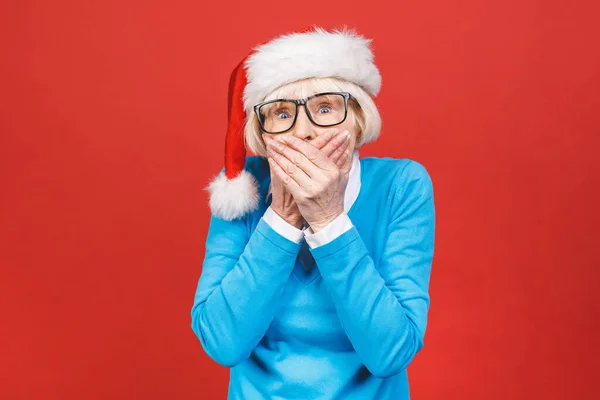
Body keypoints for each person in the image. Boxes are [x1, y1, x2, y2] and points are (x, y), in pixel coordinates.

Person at [191, 25, 436, 400]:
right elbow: (223, 343)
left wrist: (328, 219)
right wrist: (284, 217)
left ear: (356, 119)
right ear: (262, 133)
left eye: (324, 108)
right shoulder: (241, 190)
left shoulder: (401, 185)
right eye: (281, 113)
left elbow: (391, 353)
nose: (304, 131)